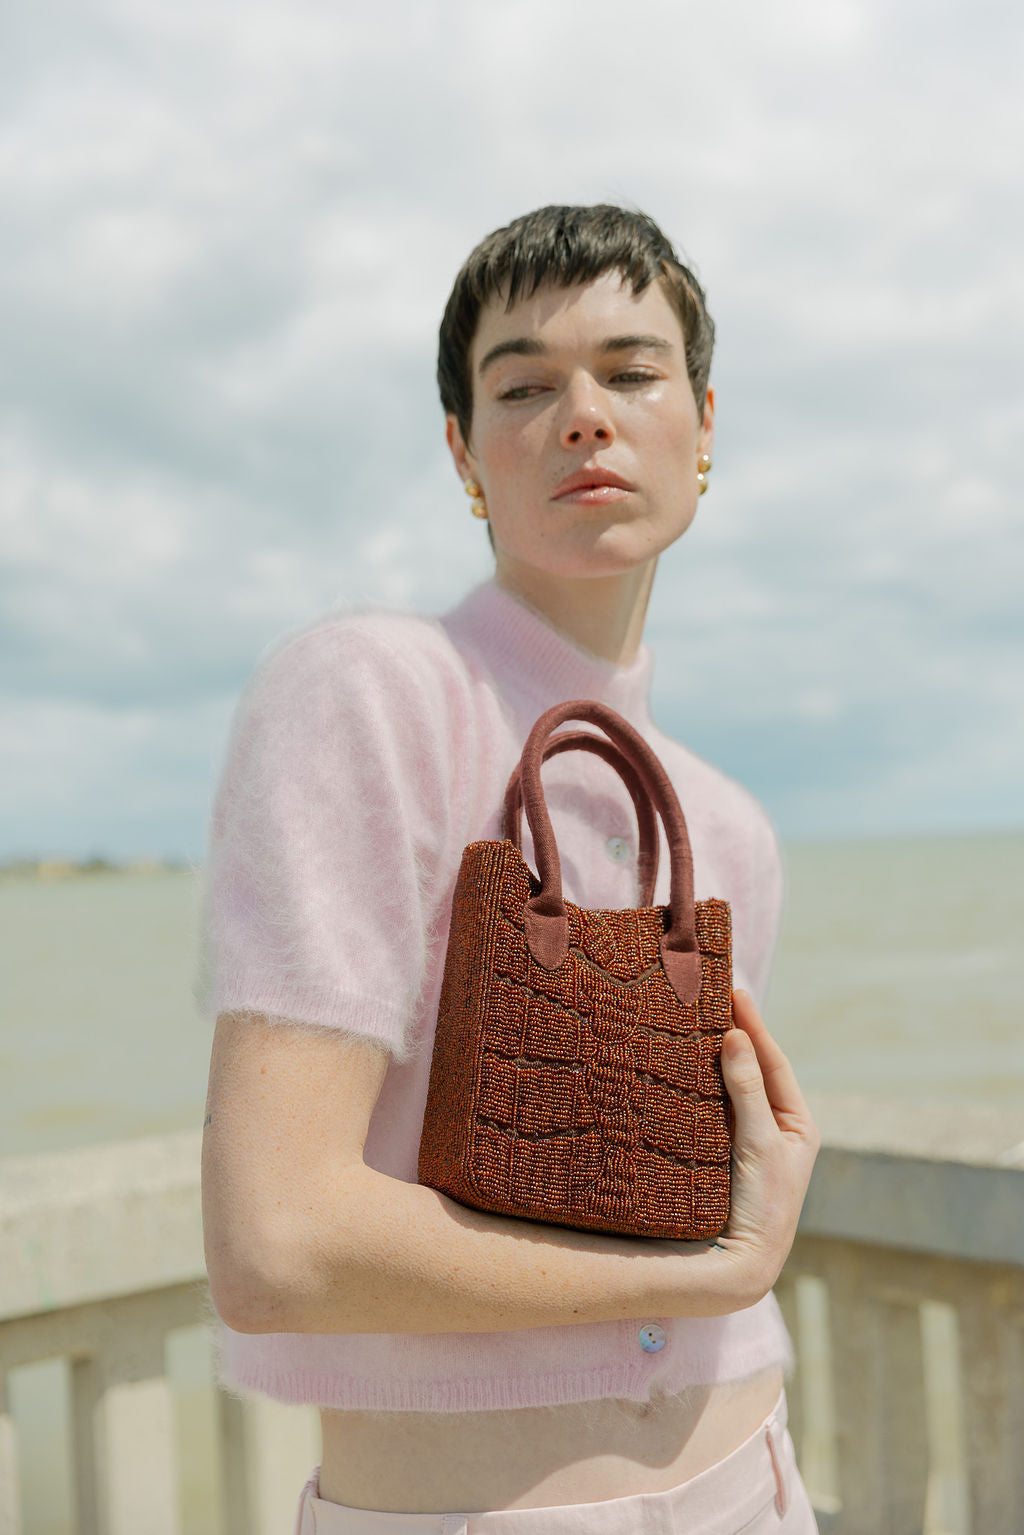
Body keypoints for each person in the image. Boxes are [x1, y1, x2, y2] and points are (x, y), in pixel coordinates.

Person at [199, 203, 822, 1534]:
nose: (584, 414)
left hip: (755, 1480)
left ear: (705, 426)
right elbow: (278, 1242)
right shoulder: (368, 694)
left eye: (633, 371)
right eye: (526, 383)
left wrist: (725, 1261)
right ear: (464, 452)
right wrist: (708, 1273)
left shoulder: (729, 828)